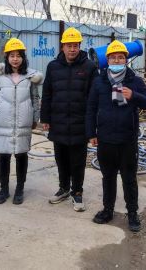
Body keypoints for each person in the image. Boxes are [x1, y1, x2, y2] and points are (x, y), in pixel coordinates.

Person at [86, 40, 146, 232]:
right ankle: (108, 210)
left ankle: (132, 213)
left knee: (129, 178)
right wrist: (91, 133)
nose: (117, 60)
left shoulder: (135, 81)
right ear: (107, 60)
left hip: (127, 140)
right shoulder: (99, 81)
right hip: (105, 139)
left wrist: (134, 95)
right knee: (108, 177)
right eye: (113, 57)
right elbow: (90, 108)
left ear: (126, 60)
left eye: (121, 57)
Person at [41, 27, 98, 211]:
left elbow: (94, 97)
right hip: (58, 121)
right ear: (63, 47)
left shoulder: (89, 67)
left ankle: (77, 192)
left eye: (75, 45)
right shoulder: (53, 66)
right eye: (69, 45)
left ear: (80, 46)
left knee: (78, 161)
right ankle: (64, 188)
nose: (72, 49)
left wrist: (93, 125)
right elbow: (47, 93)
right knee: (61, 159)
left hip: (80, 122)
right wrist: (45, 118)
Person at [0, 37, 43, 205]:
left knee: (21, 155)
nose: (15, 59)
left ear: (23, 57)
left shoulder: (30, 76)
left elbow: (35, 98)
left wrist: (35, 118)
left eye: (18, 55)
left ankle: (19, 189)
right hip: (3, 120)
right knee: (3, 156)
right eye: (12, 55)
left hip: (23, 121)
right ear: (7, 57)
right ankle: (4, 189)